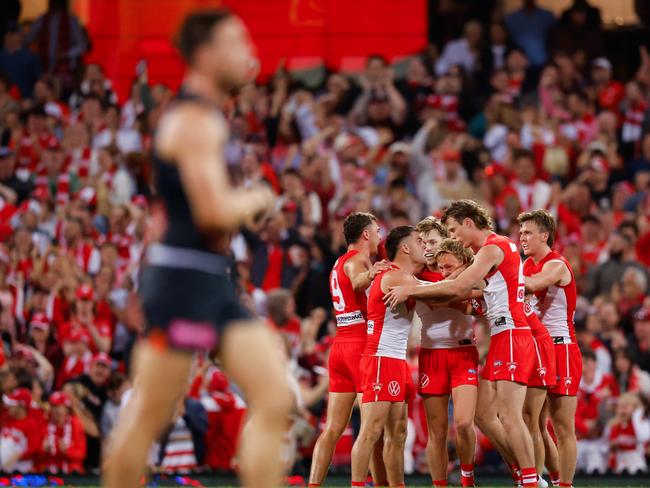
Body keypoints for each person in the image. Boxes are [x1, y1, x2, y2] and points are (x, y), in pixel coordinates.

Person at [102, 10, 291, 488]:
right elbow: (211, 211)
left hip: (206, 278)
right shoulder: (192, 120)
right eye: (237, 42)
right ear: (206, 55)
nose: (248, 53)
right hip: (183, 283)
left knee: (273, 396)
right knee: (151, 415)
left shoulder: (208, 116)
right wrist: (257, 197)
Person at [383, 200, 538, 487]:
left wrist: (415, 290)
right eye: (424, 241)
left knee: (507, 417)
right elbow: (465, 292)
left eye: (450, 232)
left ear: (468, 223)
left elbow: (458, 289)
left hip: (501, 336)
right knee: (484, 417)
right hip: (484, 340)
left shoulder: (488, 251)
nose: (449, 239)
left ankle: (530, 479)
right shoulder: (480, 255)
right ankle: (527, 476)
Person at [308, 212, 390, 487]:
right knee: (372, 430)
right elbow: (357, 282)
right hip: (360, 345)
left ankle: (313, 485)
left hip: (340, 344)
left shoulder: (338, 262)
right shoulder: (358, 260)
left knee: (332, 428)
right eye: (377, 231)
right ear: (366, 234)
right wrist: (372, 273)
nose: (380, 236)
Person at [351, 226, 425, 487]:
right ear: (404, 247)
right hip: (380, 360)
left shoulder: (405, 277)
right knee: (371, 432)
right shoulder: (394, 276)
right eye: (419, 241)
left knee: (399, 434)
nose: (424, 245)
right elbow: (441, 292)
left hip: (396, 361)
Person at [518, 209, 583, 488]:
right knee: (532, 421)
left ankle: (565, 485)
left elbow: (533, 285)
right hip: (538, 349)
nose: (522, 237)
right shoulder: (524, 265)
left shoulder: (556, 264)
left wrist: (495, 276)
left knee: (562, 426)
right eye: (520, 233)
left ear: (545, 235)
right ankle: (548, 480)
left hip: (562, 348)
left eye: (528, 232)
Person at [414, 217, 478, 487]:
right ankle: (439, 484)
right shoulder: (413, 273)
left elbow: (475, 300)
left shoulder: (464, 268)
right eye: (422, 242)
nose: (428, 247)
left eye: (433, 241)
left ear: (446, 242)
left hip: (463, 352)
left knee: (463, 424)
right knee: (437, 432)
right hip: (431, 355)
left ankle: (467, 477)